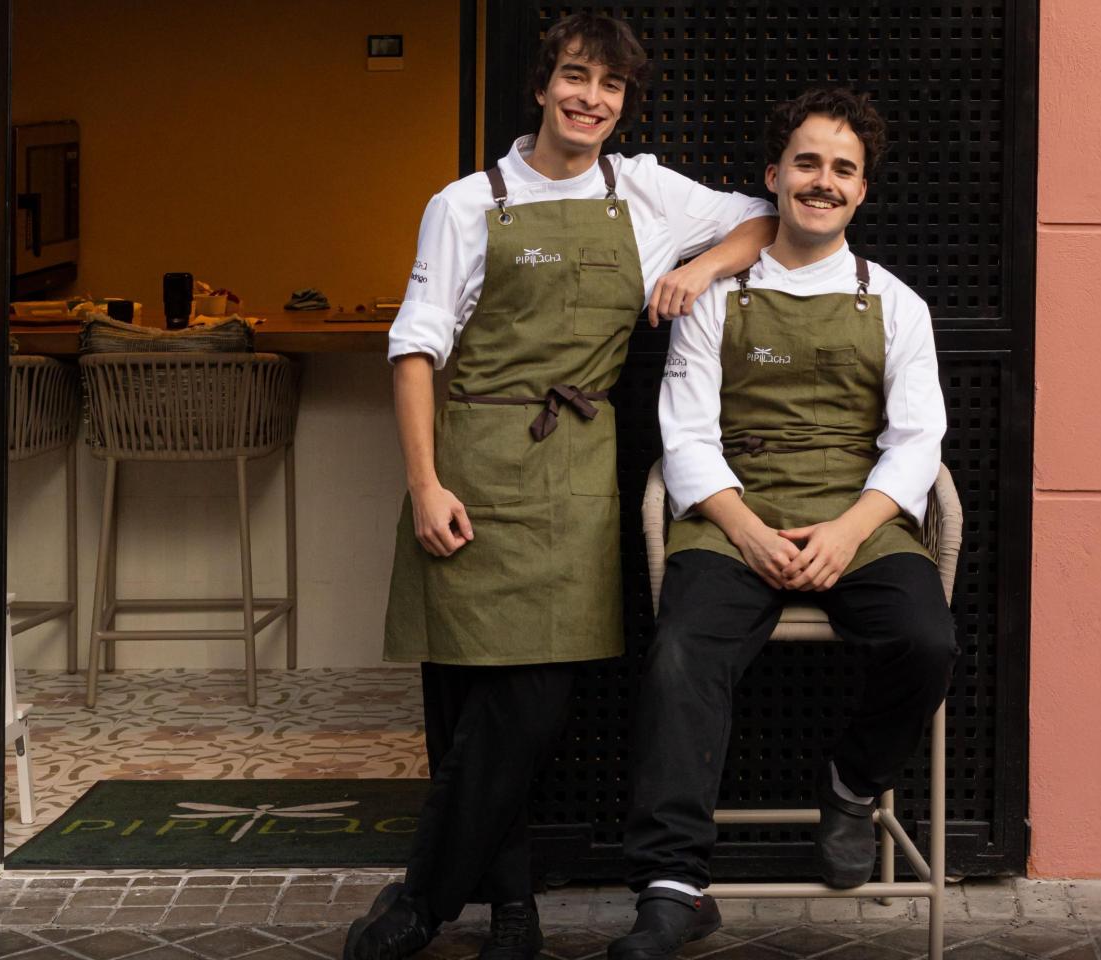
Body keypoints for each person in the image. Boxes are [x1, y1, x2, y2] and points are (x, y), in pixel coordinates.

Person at [345, 13, 777, 960]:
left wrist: (698, 269)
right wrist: (423, 484)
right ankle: (512, 916)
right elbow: (417, 351)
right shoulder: (465, 202)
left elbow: (763, 217)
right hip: (472, 463)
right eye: (577, 77)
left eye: (611, 86)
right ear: (542, 86)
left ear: (623, 104)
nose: (591, 98)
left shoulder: (649, 191)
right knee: (464, 705)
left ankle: (421, 902)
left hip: (577, 469)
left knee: (532, 705)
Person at [608, 88, 957, 960]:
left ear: (863, 191)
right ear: (775, 179)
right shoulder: (717, 298)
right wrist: (747, 531)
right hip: (735, 510)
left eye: (843, 168)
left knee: (928, 642)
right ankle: (672, 887)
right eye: (807, 163)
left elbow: (918, 443)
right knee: (681, 654)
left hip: (860, 511)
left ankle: (853, 782)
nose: (823, 181)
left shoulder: (898, 304)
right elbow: (684, 435)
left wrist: (847, 531)